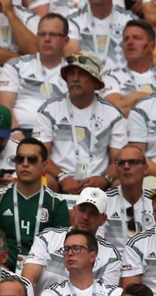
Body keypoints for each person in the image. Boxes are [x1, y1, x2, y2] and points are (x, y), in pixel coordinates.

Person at [34, 52, 125, 195]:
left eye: (82, 74)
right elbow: (39, 154)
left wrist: (104, 179)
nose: (75, 79)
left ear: (96, 82)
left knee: (122, 183)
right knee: (42, 180)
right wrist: (63, 177)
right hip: (58, 180)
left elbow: (120, 160)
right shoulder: (49, 109)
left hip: (100, 184)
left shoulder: (113, 114)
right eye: (71, 74)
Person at [0, 138, 70, 271]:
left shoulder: (57, 203)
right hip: (2, 269)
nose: (25, 164)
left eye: (32, 159)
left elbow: (59, 250)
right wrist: (1, 269)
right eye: (20, 159)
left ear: (44, 165)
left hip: (43, 271)